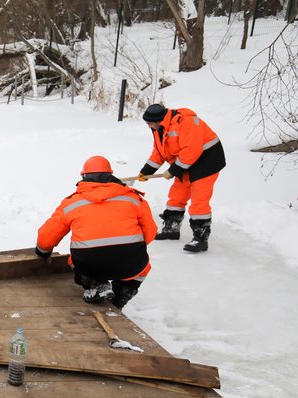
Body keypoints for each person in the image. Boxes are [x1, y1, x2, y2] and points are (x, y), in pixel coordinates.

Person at [36, 156, 158, 309]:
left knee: (73, 260)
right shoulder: (133, 198)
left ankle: (97, 284)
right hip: (131, 264)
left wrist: (42, 252)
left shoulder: (71, 203)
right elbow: (151, 232)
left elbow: (47, 236)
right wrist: (131, 247)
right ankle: (121, 296)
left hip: (89, 264)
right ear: (111, 175)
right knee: (143, 268)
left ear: (84, 176)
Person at [137, 103, 226, 252]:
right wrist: (146, 171)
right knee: (177, 195)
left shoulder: (186, 122)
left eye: (150, 123)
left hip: (207, 161)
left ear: (159, 120)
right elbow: (159, 152)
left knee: (199, 200)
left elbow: (192, 149)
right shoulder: (159, 128)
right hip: (186, 162)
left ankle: (200, 238)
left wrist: (173, 170)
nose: (148, 126)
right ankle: (171, 228)